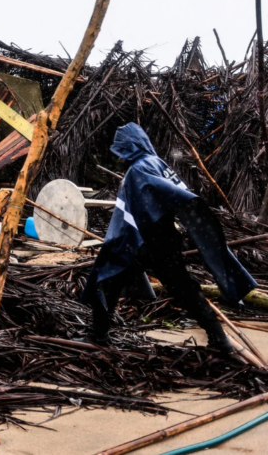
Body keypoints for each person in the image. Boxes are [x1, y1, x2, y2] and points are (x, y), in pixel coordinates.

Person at [82, 123, 256, 354]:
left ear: (129, 147)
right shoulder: (158, 164)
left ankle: (99, 336)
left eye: (121, 149)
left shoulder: (138, 169)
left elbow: (136, 212)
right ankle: (219, 338)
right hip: (166, 240)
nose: (120, 156)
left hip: (144, 242)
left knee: (108, 282)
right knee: (184, 289)